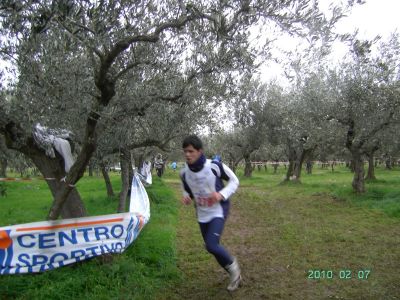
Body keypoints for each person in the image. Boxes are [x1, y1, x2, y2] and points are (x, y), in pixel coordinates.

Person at [179, 135, 241, 292]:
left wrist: (221, 195)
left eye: (191, 151)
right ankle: (233, 273)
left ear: (200, 151)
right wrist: (187, 196)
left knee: (211, 245)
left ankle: (234, 270)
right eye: (185, 151)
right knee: (211, 247)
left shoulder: (214, 166)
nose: (187, 155)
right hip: (202, 214)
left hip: (218, 211)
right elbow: (187, 188)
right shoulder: (184, 173)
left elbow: (234, 181)